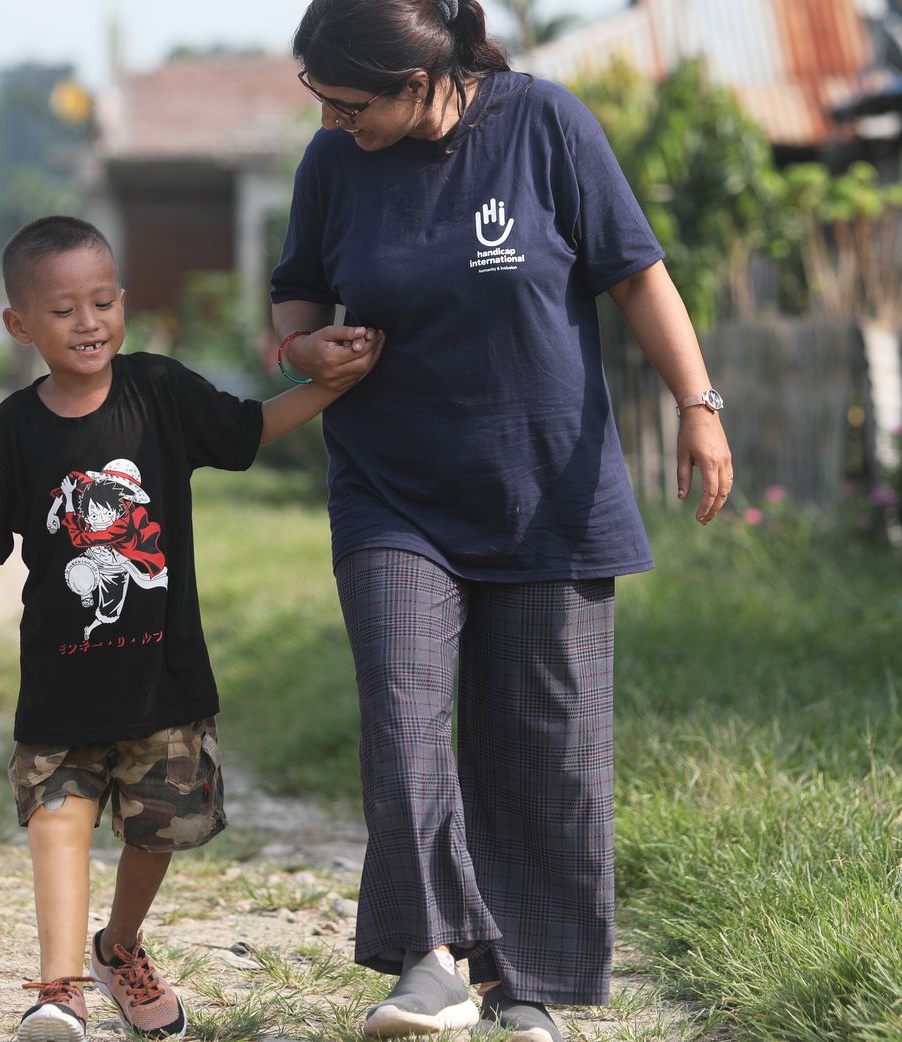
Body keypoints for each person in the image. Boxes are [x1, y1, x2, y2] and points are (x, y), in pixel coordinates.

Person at [271, 1, 735, 1039]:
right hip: (390, 488)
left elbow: (634, 273)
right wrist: (303, 349)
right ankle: (429, 960)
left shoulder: (546, 126)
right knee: (402, 709)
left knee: (544, 744)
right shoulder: (330, 163)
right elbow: (294, 295)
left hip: (546, 491)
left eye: (350, 103)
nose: (335, 121)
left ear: (420, 77)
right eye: (321, 101)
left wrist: (697, 405)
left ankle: (522, 987)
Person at [0, 216, 382, 1041]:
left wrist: (330, 387)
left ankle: (118, 947)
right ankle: (57, 989)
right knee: (58, 819)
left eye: (103, 302)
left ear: (123, 303)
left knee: (158, 830)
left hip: (164, 684)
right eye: (63, 309)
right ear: (19, 325)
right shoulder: (15, 426)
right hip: (60, 686)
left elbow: (247, 429)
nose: (88, 323)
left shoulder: (159, 391)